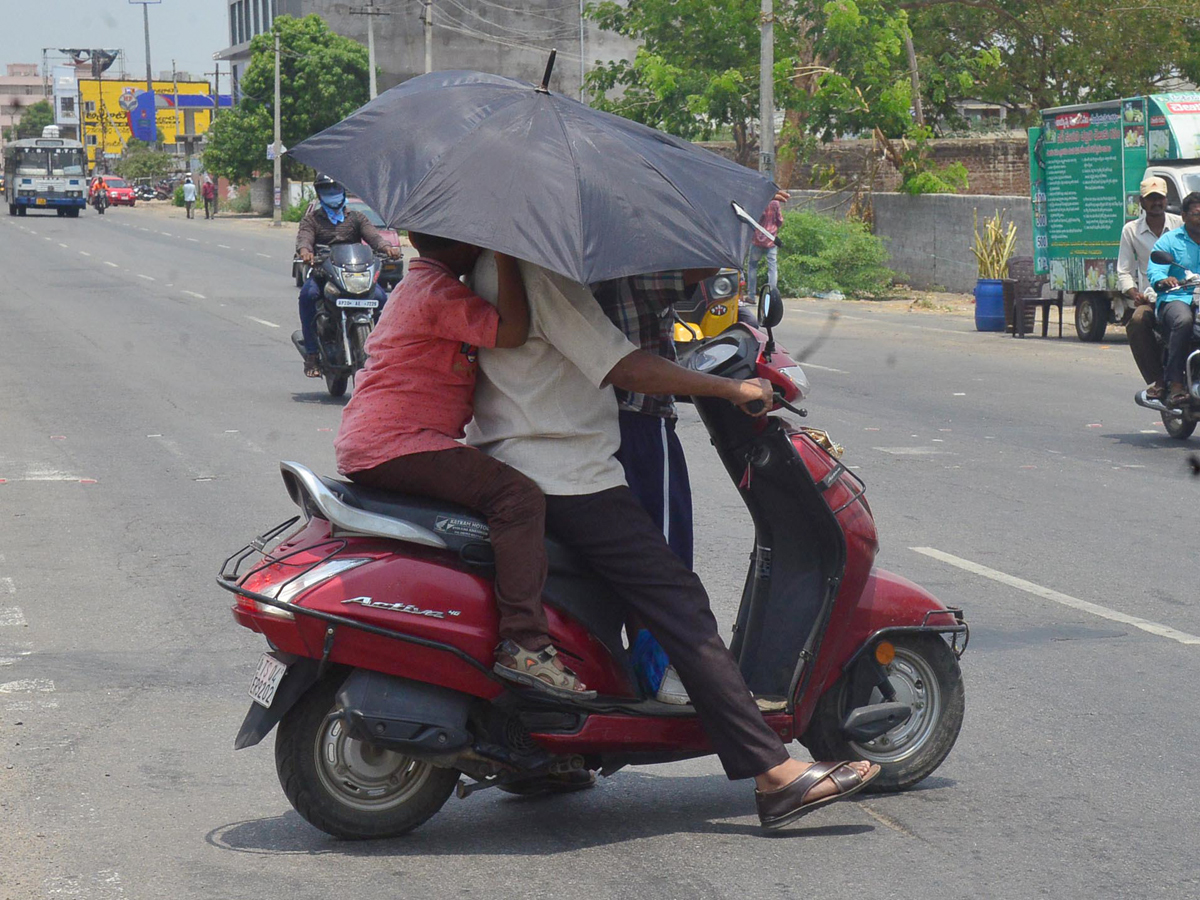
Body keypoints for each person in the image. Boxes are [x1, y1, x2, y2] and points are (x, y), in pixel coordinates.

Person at [466, 252, 878, 828]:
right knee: (678, 601)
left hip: (510, 458)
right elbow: (624, 365)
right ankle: (774, 772)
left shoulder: (488, 268)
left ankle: (546, 751)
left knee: (595, 602)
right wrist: (728, 391)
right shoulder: (541, 274)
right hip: (565, 470)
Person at [333, 234, 593, 698]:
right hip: (395, 442)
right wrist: (509, 255)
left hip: (380, 440)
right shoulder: (436, 292)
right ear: (464, 247)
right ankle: (525, 644)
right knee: (517, 498)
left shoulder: (423, 285)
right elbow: (512, 332)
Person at [592, 268, 717, 705]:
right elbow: (695, 272)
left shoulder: (574, 266)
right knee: (665, 559)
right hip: (641, 421)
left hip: (592, 427)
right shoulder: (632, 271)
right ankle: (662, 672)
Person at [295, 174, 400, 377]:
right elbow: (304, 240)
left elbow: (374, 237)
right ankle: (312, 354)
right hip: (324, 274)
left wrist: (387, 247)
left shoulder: (356, 218)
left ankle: (384, 351)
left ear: (343, 191)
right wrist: (305, 252)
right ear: (319, 194)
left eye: (335, 190)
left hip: (354, 275)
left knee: (381, 298)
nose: (332, 194)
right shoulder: (312, 219)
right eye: (327, 190)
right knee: (307, 296)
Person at [1117, 176, 1181, 400]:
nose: (1156, 203)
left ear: (1166, 200)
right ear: (1142, 203)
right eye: (1151, 199)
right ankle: (1159, 379)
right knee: (1137, 321)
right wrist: (1134, 293)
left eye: (1160, 198)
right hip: (1152, 299)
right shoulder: (1131, 230)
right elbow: (1123, 270)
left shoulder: (1180, 225)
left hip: (1186, 294)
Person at [1147, 191, 1200, 408]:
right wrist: (1163, 280)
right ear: (1184, 216)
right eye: (1197, 214)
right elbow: (1155, 269)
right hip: (1177, 296)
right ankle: (1176, 383)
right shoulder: (1170, 240)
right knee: (1184, 321)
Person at [746, 198, 783, 302]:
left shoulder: (757, 200)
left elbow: (752, 219)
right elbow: (780, 220)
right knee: (772, 267)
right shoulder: (775, 203)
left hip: (757, 240)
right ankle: (772, 296)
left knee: (752, 266)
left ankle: (751, 296)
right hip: (771, 239)